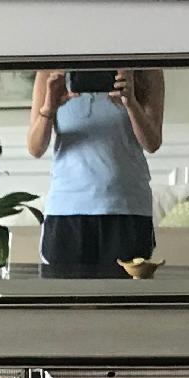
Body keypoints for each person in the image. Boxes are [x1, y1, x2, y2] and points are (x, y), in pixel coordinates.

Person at [27, 67, 165, 274]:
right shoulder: (51, 71)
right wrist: (49, 107)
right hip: (66, 211)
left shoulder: (147, 70)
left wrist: (131, 103)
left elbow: (152, 143)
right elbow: (35, 148)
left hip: (127, 209)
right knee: (65, 302)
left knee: (124, 302)